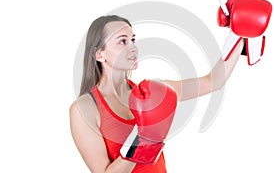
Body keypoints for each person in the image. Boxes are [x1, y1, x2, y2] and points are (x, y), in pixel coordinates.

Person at [69, 14, 245, 173]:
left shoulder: (153, 93)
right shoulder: (84, 109)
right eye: (123, 41)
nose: (133, 47)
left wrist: (240, 34)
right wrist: (143, 138)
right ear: (99, 54)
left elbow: (213, 82)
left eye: (133, 40)